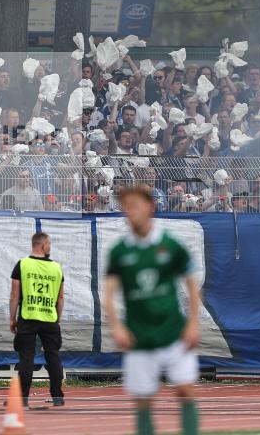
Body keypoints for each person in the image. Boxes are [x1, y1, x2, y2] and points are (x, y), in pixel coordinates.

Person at [104, 185, 200, 435]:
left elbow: (191, 283)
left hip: (173, 332)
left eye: (134, 205)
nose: (130, 211)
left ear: (150, 207)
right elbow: (109, 293)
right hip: (139, 336)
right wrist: (117, 327)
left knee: (186, 390)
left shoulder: (169, 244)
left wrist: (192, 323)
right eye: (125, 207)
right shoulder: (119, 251)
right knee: (143, 401)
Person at [8, 231, 65, 407]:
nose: (50, 247)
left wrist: (12, 318)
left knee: (26, 358)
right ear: (42, 245)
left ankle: (22, 398)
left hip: (28, 316)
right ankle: (57, 397)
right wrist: (57, 318)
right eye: (49, 244)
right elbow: (61, 297)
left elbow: (15, 294)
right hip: (50, 318)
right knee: (53, 357)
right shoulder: (56, 267)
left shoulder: (22, 265)